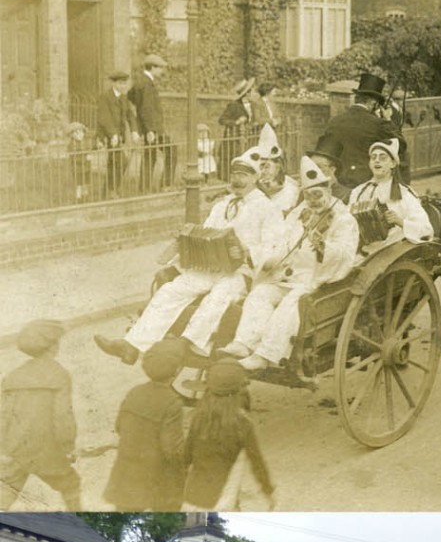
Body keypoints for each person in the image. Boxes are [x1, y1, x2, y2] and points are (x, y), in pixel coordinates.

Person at [94, 150, 284, 366]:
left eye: (245, 175)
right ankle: (132, 346)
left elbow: (275, 248)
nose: (238, 179)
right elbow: (208, 233)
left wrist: (247, 251)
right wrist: (190, 239)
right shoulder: (222, 205)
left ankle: (191, 345)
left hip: (241, 272)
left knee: (219, 296)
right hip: (213, 266)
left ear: (256, 178)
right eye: (235, 174)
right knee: (173, 289)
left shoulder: (267, 208)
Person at [219, 155, 360, 372]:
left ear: (328, 191)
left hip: (316, 279)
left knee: (290, 304)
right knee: (261, 294)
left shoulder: (343, 219)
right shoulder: (300, 213)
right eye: (308, 196)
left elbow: (345, 253)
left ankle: (265, 354)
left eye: (317, 195)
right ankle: (244, 343)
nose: (313, 200)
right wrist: (270, 261)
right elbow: (282, 241)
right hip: (288, 275)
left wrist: (323, 246)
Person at [0, 319, 81, 510]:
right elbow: (62, 416)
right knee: (71, 484)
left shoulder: (13, 376)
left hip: (17, 448)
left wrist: (4, 449)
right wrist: (68, 446)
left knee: (4, 494)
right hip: (47, 450)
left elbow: (3, 416)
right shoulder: (59, 374)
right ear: (52, 346)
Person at [103, 336, 187, 511]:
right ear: (177, 369)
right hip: (155, 476)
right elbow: (172, 448)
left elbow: (120, 427)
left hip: (126, 472)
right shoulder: (172, 402)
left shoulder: (135, 392)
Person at [183, 359, 275, 509]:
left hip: (191, 497)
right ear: (239, 388)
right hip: (221, 500)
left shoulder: (199, 416)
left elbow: (186, 456)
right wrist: (268, 491)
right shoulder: (242, 422)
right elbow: (256, 461)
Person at [319, 72, 407, 190]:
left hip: (339, 184)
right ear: (373, 103)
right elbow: (401, 146)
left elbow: (324, 153)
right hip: (368, 185)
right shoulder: (378, 124)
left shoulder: (334, 121)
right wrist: (388, 119)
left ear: (356, 99)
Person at [347, 139, 434, 252]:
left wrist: (400, 221)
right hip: (361, 249)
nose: (377, 161)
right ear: (369, 163)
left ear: (393, 164)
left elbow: (426, 229)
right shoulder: (358, 192)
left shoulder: (404, 194)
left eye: (383, 158)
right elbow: (346, 223)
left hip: (392, 251)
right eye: (373, 157)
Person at [129, 52, 169, 191]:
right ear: (152, 67)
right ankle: (165, 185)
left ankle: (144, 187)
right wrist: (150, 130)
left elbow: (131, 97)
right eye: (159, 68)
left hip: (150, 128)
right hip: (153, 129)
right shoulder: (146, 83)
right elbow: (145, 109)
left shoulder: (142, 81)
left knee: (150, 156)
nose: (161, 71)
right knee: (171, 151)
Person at [96, 69, 136, 196]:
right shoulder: (105, 97)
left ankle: (106, 191)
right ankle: (113, 189)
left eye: (124, 83)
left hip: (118, 137)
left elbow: (130, 115)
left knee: (113, 164)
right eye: (120, 83)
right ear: (113, 83)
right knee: (121, 161)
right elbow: (104, 118)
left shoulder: (124, 98)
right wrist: (112, 134)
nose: (123, 86)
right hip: (107, 136)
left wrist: (134, 130)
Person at [250, 122, 299, 215]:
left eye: (267, 166)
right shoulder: (252, 188)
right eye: (260, 167)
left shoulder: (291, 190)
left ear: (278, 166)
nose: (263, 171)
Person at [217, 77, 256, 173]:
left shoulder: (252, 105)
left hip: (248, 137)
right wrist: (237, 122)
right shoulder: (234, 105)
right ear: (246, 94)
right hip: (235, 138)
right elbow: (222, 120)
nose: (253, 94)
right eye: (251, 92)